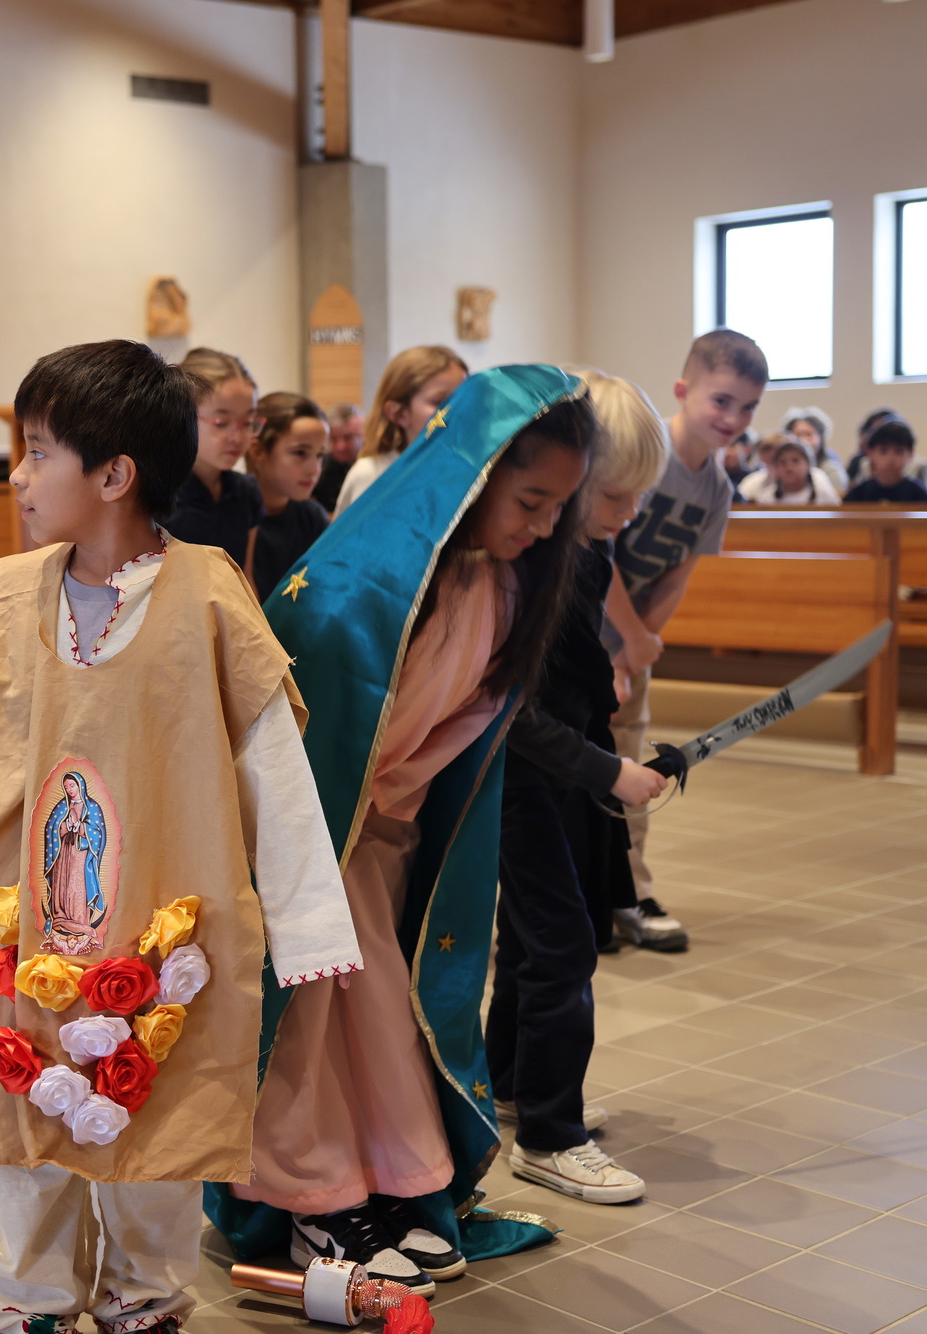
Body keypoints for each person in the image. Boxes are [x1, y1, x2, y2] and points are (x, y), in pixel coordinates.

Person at [0, 340, 366, 1334]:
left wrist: (309, 923)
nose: (17, 474)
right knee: (18, 1115)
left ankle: (143, 1292)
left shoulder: (208, 599)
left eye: (38, 451)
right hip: (27, 925)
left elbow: (273, 768)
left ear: (113, 474)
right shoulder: (3, 603)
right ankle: (24, 1297)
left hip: (164, 924)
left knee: (159, 1121)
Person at [212, 365, 589, 1291]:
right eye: (530, 502)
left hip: (386, 837)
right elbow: (299, 721)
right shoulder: (360, 583)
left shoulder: (502, 585)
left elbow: (456, 740)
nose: (544, 529)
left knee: (379, 1022)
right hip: (314, 833)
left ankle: (386, 1186)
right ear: (475, 474)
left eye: (558, 510)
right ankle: (307, 1196)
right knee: (309, 1025)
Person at [488, 369, 668, 1206]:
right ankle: (551, 1138)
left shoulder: (588, 551)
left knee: (533, 943)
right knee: (560, 947)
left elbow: (567, 673)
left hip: (564, 772)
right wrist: (609, 770)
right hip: (521, 779)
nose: (627, 515)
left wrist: (606, 693)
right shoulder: (530, 564)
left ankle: (515, 1087)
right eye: (616, 496)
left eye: (639, 498)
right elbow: (513, 709)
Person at [602, 329, 766, 952]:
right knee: (577, 767)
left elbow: (678, 574)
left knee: (633, 767)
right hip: (580, 632)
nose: (734, 418)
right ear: (682, 390)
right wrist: (625, 641)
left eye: (748, 407)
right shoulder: (647, 452)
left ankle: (630, 892)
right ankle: (578, 894)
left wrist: (636, 647)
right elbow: (599, 554)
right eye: (722, 400)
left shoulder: (717, 488)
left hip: (630, 645)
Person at [334, 346, 467, 513]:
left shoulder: (463, 467)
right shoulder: (372, 474)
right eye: (440, 402)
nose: (457, 410)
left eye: (463, 399)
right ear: (399, 413)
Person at [161, 347, 262, 568]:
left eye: (247, 422)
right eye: (222, 423)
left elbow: (243, 578)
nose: (238, 437)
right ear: (182, 415)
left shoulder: (247, 492)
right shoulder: (156, 496)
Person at [246, 392, 331, 603]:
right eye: (300, 453)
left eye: (320, 455)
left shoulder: (313, 516)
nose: (314, 469)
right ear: (258, 450)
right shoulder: (234, 516)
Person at [844, 417, 927, 502]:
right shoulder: (858, 494)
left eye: (899, 451)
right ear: (870, 453)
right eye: (883, 451)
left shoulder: (918, 494)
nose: (891, 458)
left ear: (910, 454)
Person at [737, 435, 841, 504]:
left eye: (795, 461)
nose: (789, 467)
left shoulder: (822, 494)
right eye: (782, 462)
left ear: (808, 464)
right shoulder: (767, 497)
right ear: (776, 467)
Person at [313, 402, 364, 510]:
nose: (341, 447)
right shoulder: (319, 466)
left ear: (362, 436)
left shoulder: (369, 467)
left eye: (348, 438)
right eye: (334, 438)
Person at [781, 406, 840, 481]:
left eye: (808, 435)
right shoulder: (780, 470)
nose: (803, 441)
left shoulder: (831, 471)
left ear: (821, 439)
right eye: (798, 435)